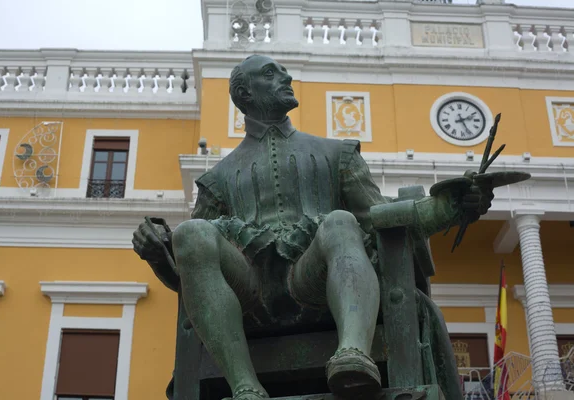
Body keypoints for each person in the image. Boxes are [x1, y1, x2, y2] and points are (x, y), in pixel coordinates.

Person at [133, 54, 494, 400]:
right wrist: (158, 253)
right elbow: (195, 274)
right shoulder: (217, 179)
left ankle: (352, 355)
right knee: (191, 233)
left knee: (340, 221)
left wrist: (450, 207)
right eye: (272, 74)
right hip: (250, 293)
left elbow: (380, 215)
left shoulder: (337, 154)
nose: (286, 78)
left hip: (314, 281)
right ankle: (245, 387)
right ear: (244, 94)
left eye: (284, 72)